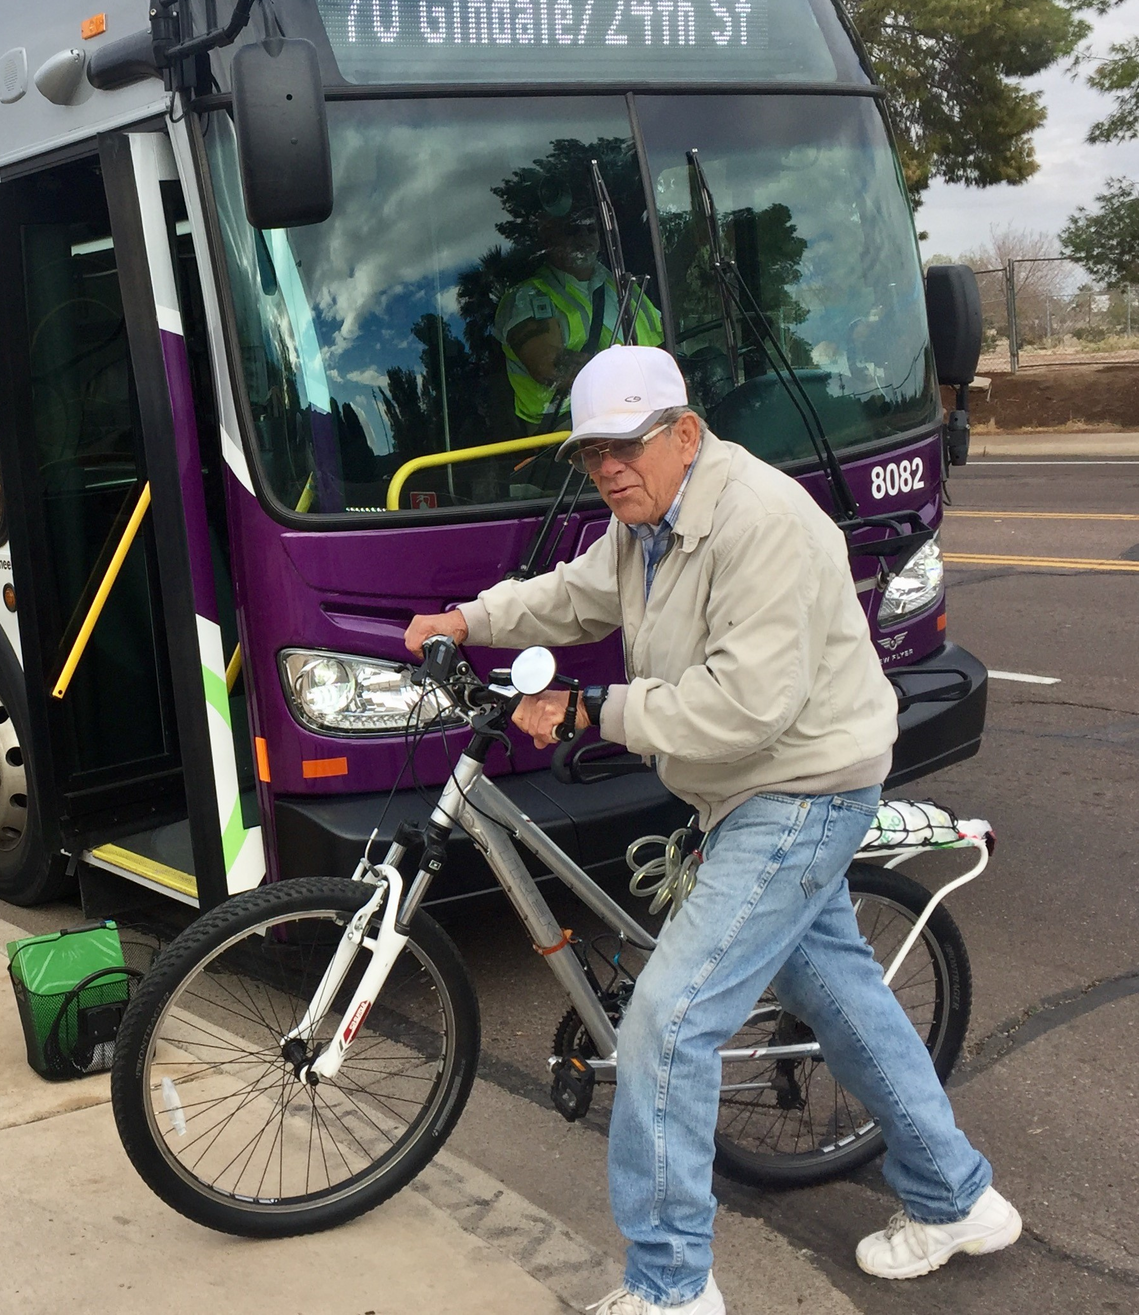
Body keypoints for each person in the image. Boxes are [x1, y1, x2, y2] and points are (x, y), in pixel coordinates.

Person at [403, 344, 1016, 1315]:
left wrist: (583, 714)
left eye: (625, 445)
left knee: (668, 1023)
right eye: (588, 452)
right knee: (840, 997)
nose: (606, 467)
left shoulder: (760, 522)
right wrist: (471, 619)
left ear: (685, 434)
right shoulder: (644, 522)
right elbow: (572, 594)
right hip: (747, 792)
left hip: (803, 789)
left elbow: (744, 709)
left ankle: (671, 1285)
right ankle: (956, 1196)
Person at [497, 197, 663, 430]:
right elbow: (549, 367)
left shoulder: (625, 285)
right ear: (549, 237)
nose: (584, 239)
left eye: (590, 230)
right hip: (565, 422)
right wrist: (631, 379)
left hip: (641, 405)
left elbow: (664, 344)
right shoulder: (528, 296)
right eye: (573, 231)